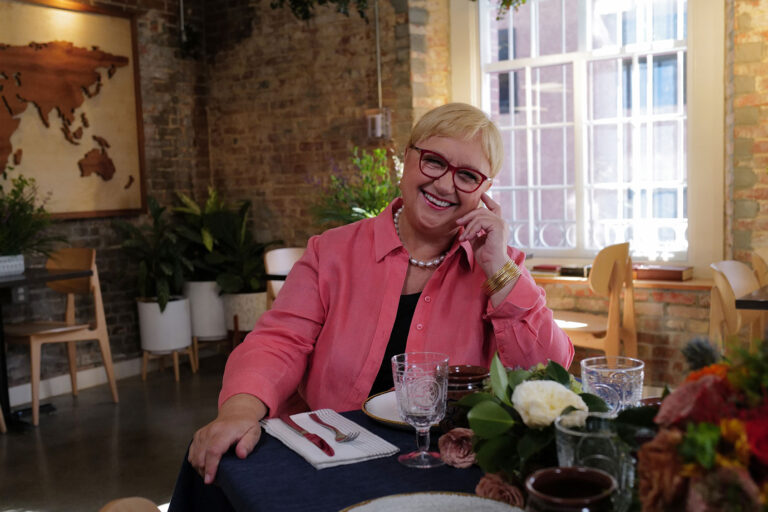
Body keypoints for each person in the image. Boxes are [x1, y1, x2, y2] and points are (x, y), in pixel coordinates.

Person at [188, 103, 573, 485]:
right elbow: (280, 341)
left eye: (468, 175)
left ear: (485, 192)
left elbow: (548, 375)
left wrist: (499, 272)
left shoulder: (500, 265)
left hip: (444, 464)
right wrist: (239, 409)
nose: (443, 184)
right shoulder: (332, 251)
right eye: (434, 161)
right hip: (331, 456)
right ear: (407, 159)